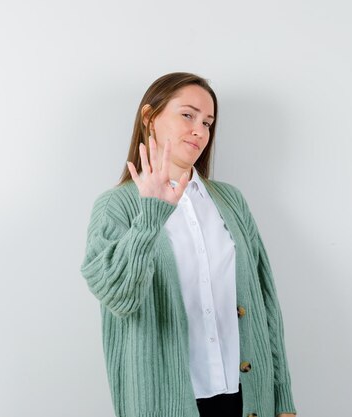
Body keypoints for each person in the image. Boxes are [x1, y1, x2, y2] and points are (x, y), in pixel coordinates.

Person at [80, 72, 297, 417]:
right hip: (166, 404)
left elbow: (266, 303)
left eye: (208, 122)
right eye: (187, 115)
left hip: (247, 399)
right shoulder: (116, 206)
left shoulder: (230, 201)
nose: (200, 130)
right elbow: (118, 296)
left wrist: (283, 397)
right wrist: (151, 213)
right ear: (150, 118)